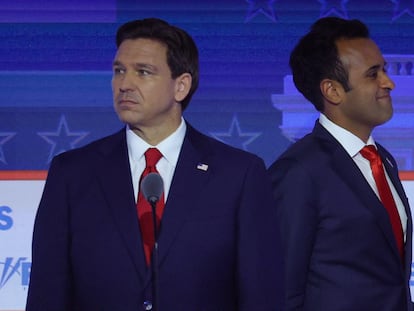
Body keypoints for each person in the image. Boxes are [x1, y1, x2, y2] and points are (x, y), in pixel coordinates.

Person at [26, 18, 284, 311]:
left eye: (143, 72)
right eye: (119, 71)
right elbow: (47, 292)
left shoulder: (238, 174)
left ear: (181, 86)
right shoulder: (72, 173)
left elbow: (262, 294)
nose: (124, 84)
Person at [268, 17, 413, 310]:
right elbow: (281, 291)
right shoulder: (298, 172)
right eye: (373, 74)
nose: (389, 82)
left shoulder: (382, 159)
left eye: (384, 69)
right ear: (332, 91)